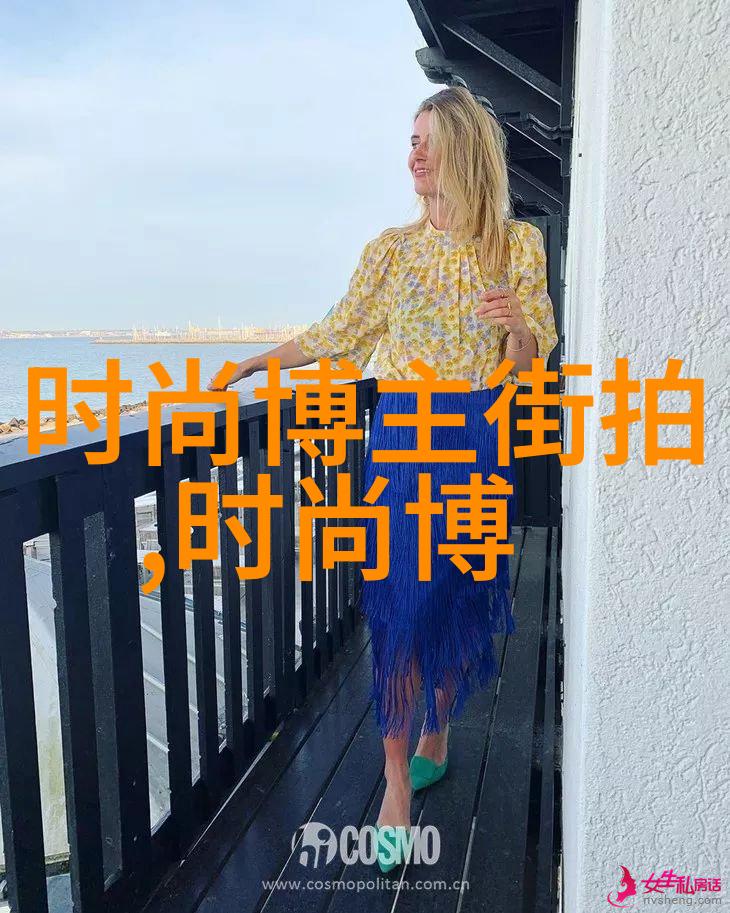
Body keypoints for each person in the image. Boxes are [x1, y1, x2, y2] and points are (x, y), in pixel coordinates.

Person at [208, 85, 559, 872]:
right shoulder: (391, 250)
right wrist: (258, 362)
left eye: (427, 139)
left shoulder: (518, 245)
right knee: (400, 604)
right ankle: (396, 777)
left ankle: (438, 726)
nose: (414, 153)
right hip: (401, 438)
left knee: (456, 593)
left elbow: (528, 367)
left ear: (465, 149)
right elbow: (341, 330)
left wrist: (518, 332)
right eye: (410, 139)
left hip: (476, 436)